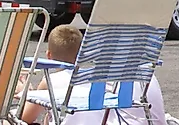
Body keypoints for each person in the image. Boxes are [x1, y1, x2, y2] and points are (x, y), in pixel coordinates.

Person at [20, 25, 168, 125]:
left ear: (49, 55)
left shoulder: (51, 81)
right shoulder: (106, 80)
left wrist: (25, 91)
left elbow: (25, 117)